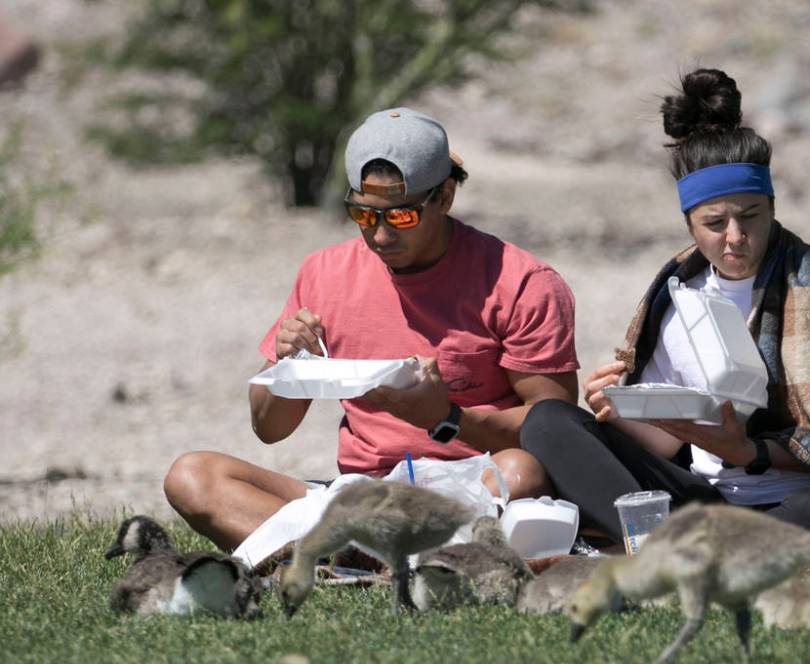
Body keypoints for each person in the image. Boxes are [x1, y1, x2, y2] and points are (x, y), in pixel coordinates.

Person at [520, 68, 810, 551]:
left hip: (805, 498)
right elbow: (668, 443)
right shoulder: (677, 295)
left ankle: (671, 549)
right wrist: (617, 411)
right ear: (689, 224)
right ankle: (677, 546)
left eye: (750, 216)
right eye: (715, 223)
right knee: (549, 420)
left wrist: (745, 451)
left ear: (772, 206)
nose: (736, 237)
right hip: (710, 498)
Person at [166, 108, 579, 551]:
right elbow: (269, 428)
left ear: (444, 196)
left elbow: (555, 433)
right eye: (363, 215)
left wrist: (446, 418)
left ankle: (332, 555)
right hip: (360, 494)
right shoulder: (324, 273)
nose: (379, 236)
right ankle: (376, 554)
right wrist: (289, 366)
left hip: (470, 484)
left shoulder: (521, 283)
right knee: (192, 476)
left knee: (522, 473)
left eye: (400, 217)